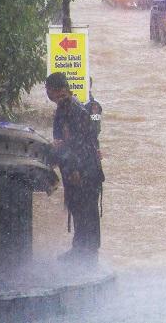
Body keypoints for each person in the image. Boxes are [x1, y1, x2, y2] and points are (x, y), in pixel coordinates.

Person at [45, 72, 104, 264]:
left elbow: (76, 143)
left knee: (86, 211)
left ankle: (87, 255)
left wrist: (76, 170)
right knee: (81, 211)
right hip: (82, 170)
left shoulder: (71, 109)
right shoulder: (71, 107)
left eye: (48, 89)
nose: (47, 93)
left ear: (54, 90)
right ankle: (81, 251)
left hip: (83, 171)